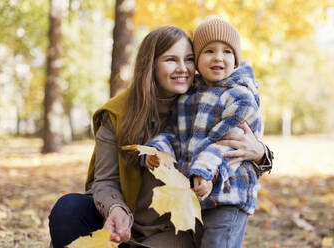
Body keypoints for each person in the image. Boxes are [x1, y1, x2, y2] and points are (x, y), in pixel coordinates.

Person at [48, 25, 272, 248]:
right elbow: (105, 180)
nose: (183, 68)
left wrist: (262, 153)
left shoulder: (204, 103)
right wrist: (116, 209)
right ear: (151, 64)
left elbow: (230, 149)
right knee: (69, 209)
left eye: (189, 59)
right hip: (125, 222)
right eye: (171, 60)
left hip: (173, 230)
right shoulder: (118, 113)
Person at [145, 16, 272, 248]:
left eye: (227, 52)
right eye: (209, 51)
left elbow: (226, 143)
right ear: (197, 60)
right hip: (198, 196)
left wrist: (205, 173)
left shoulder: (240, 96)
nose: (218, 57)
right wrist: (158, 150)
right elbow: (175, 135)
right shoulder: (188, 97)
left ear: (236, 61)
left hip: (228, 195)